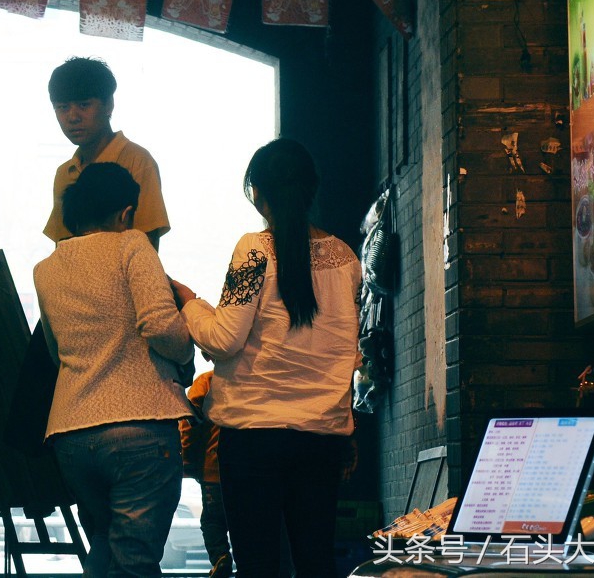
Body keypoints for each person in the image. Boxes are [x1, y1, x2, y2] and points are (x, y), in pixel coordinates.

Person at [176, 138, 362, 578]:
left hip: (253, 436)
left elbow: (223, 339)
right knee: (315, 563)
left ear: (258, 194)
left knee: (258, 566)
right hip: (322, 436)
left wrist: (189, 302)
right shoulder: (346, 259)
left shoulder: (254, 250)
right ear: (310, 189)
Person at [34, 162, 194, 577]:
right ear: (126, 213)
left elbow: (55, 349)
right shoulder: (131, 244)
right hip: (140, 425)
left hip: (71, 434)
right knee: (135, 560)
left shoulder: (46, 268)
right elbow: (161, 326)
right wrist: (185, 351)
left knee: (104, 547)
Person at [43, 57, 169, 248]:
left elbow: (147, 248)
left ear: (108, 105)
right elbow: (63, 248)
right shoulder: (64, 173)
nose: (73, 117)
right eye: (63, 107)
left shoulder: (137, 161)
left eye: (84, 105)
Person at [180, 370, 231, 578]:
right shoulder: (250, 378)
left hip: (214, 469)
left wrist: (187, 460)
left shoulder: (207, 381)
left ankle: (221, 557)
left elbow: (189, 421)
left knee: (212, 520)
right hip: (250, 468)